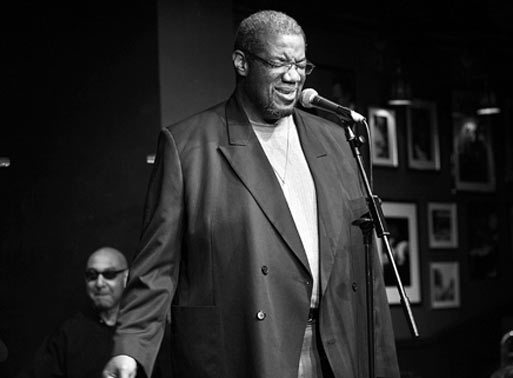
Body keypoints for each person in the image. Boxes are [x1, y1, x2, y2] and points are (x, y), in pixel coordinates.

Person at [103, 10, 400, 378]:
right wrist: (131, 349)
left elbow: (365, 269)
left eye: (301, 65)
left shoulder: (336, 140)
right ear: (241, 63)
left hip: (336, 352)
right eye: (279, 63)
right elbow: (156, 268)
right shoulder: (189, 146)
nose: (292, 77)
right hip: (246, 351)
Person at [18, 247, 129, 378]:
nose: (99, 283)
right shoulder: (68, 334)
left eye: (109, 275)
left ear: (126, 277)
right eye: (92, 275)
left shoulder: (144, 329)